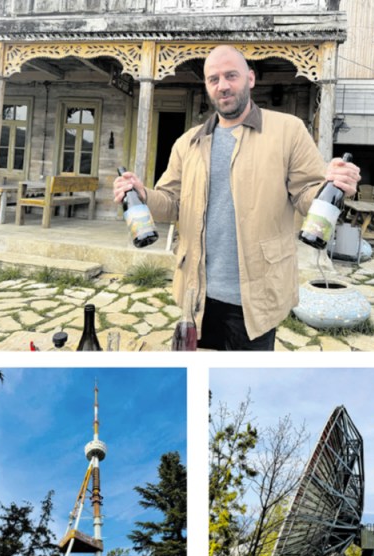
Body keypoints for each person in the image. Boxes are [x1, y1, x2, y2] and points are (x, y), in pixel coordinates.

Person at [114, 45, 360, 350]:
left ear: (250, 79)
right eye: (213, 79)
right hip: (198, 295)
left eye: (231, 75)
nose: (223, 85)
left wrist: (333, 184)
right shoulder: (187, 143)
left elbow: (307, 196)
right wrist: (144, 195)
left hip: (258, 295)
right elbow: (170, 204)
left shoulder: (289, 131)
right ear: (207, 86)